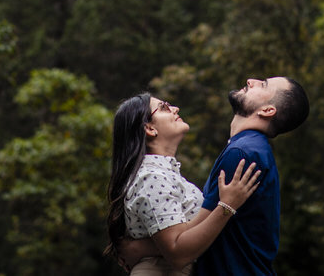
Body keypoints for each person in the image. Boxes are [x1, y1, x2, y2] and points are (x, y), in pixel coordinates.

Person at [106, 92, 261, 274]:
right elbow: (178, 253)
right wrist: (227, 206)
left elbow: (182, 235)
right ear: (149, 128)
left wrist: (141, 247)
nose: (175, 108)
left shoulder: (166, 175)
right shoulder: (151, 177)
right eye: (164, 107)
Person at [193, 76, 309, 276]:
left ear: (267, 110)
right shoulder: (252, 149)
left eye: (263, 84)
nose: (250, 80)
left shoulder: (243, 153)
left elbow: (193, 237)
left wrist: (138, 248)